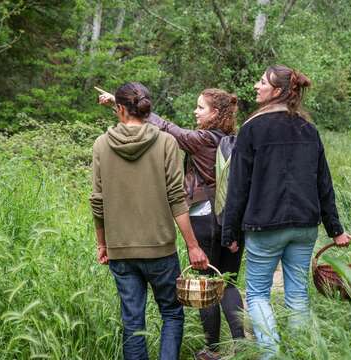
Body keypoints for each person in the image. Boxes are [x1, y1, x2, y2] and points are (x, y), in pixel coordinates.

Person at [98, 88, 245, 360]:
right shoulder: (232, 138)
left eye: (200, 108)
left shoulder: (201, 140)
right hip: (231, 218)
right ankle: (243, 346)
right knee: (230, 283)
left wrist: (132, 108)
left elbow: (168, 129)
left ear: (215, 113)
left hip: (205, 216)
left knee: (206, 281)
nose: (195, 112)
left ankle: (211, 350)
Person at [220, 65, 351, 358]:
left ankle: (271, 355)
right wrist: (336, 230)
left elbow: (237, 187)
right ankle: (300, 352)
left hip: (265, 226)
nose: (255, 86)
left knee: (256, 294)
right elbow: (324, 184)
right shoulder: (309, 129)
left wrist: (229, 232)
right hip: (305, 225)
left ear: (277, 91)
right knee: (297, 295)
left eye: (261, 82)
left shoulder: (251, 129)